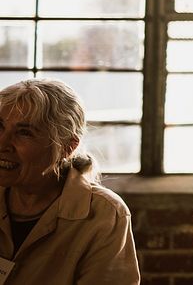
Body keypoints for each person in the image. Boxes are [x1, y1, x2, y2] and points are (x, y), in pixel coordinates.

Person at [0, 78, 139, 284]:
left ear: (68, 147)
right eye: (0, 126)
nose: (3, 143)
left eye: (24, 133)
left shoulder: (105, 214)